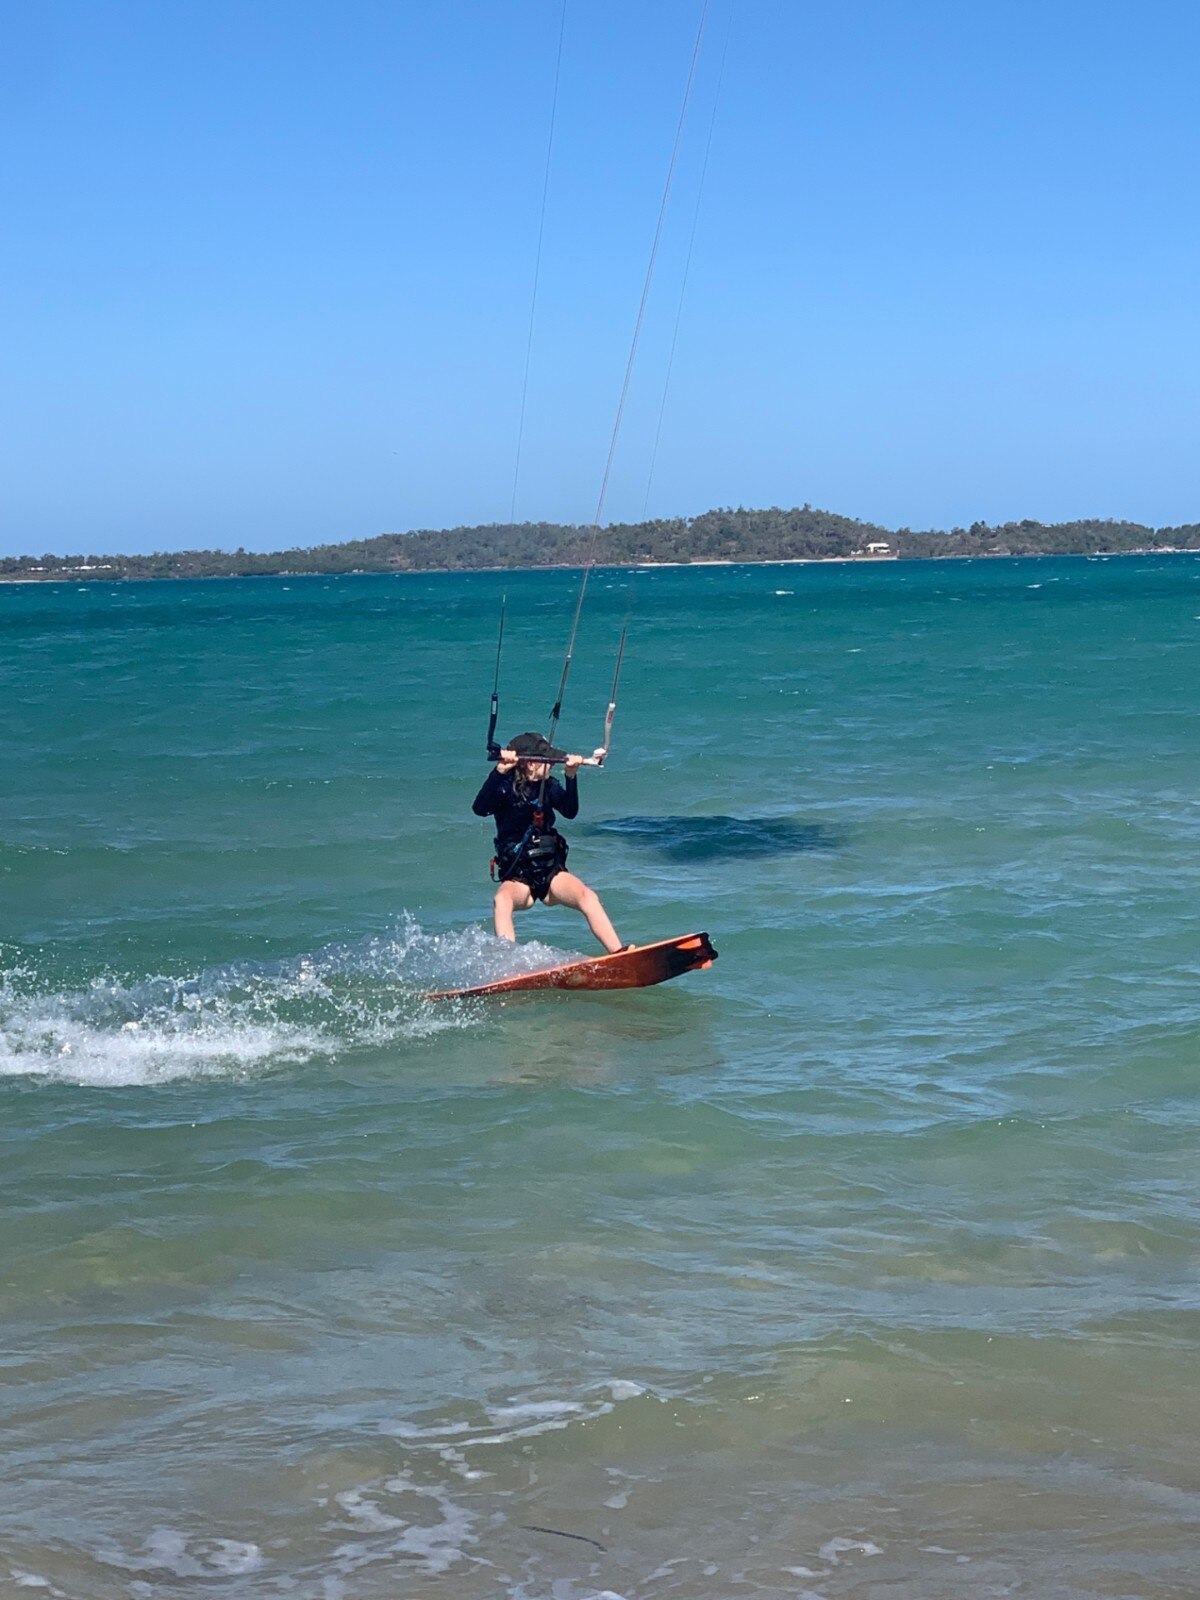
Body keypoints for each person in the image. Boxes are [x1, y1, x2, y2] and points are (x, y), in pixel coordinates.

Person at [472, 731, 624, 952]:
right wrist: (499, 772)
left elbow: (570, 811)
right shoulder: (505, 787)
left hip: (551, 872)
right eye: (548, 761)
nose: (552, 764)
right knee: (502, 900)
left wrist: (571, 777)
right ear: (530, 764)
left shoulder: (550, 785)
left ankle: (619, 952)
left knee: (587, 895)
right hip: (519, 876)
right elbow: (479, 808)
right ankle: (508, 961)